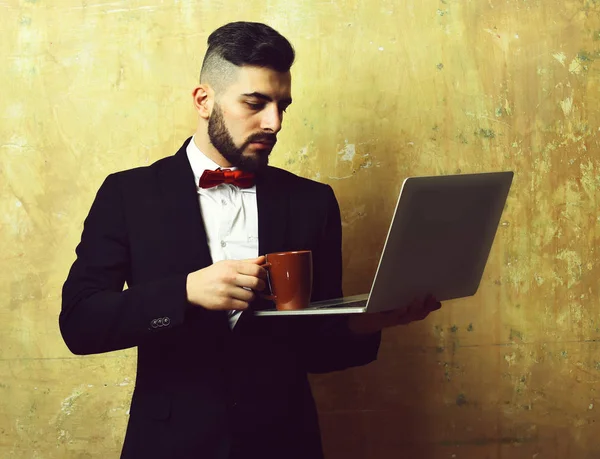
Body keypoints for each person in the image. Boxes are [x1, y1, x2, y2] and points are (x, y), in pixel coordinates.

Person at [60, 21, 441, 459]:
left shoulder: (312, 202)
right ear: (204, 100)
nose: (274, 123)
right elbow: (80, 324)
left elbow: (319, 348)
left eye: (282, 106)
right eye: (255, 103)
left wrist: (371, 319)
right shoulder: (127, 194)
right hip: (169, 445)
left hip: (285, 442)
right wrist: (185, 293)